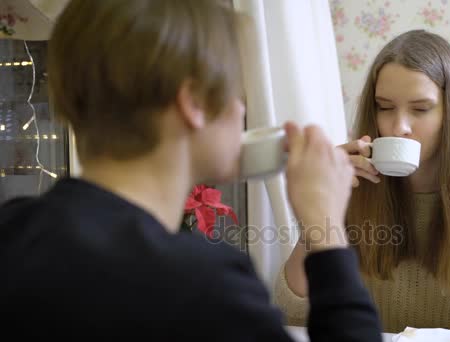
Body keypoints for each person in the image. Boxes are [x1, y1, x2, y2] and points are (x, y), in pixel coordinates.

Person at [0, 1, 383, 340]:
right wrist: (326, 227)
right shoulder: (201, 284)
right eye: (238, 93)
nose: (241, 113)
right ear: (194, 103)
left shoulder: (12, 232)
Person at [275, 30, 450, 342]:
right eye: (385, 107)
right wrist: (321, 206)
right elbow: (292, 314)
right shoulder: (351, 190)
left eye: (420, 109)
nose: (399, 127)